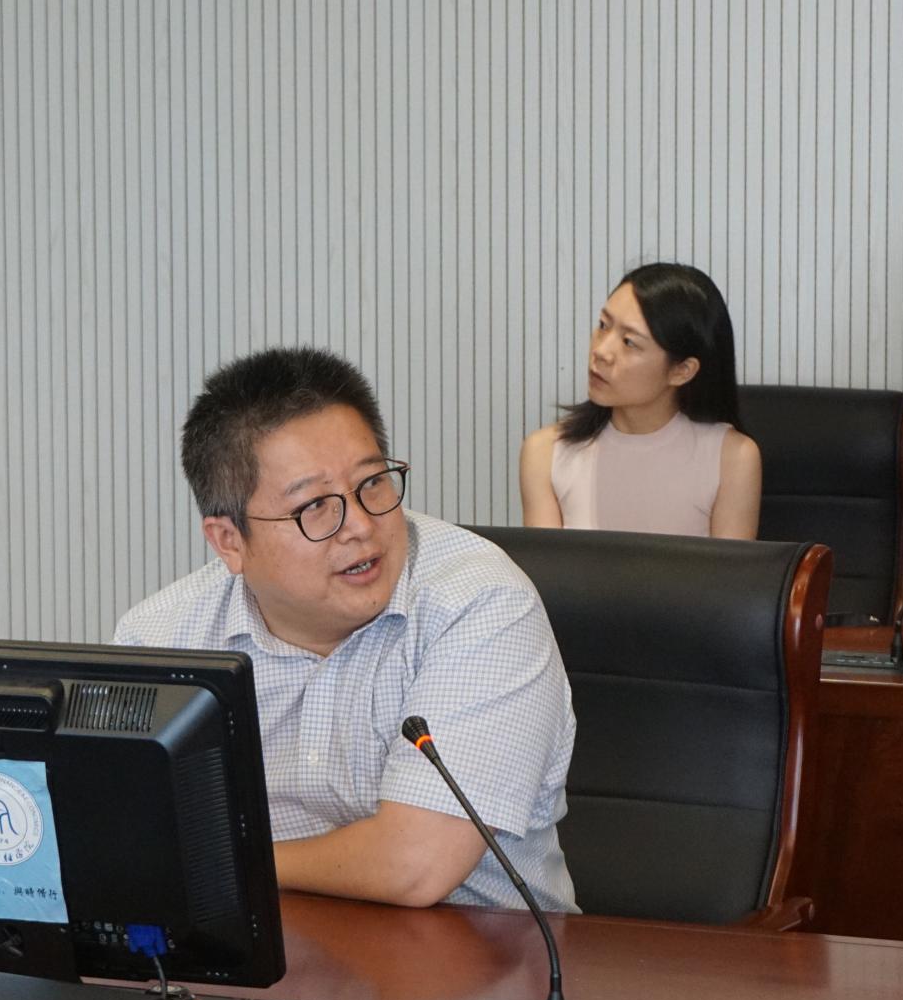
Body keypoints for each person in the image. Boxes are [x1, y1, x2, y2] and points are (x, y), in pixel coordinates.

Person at [113, 347, 578, 912]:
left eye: (373, 482)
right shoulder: (160, 640)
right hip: (261, 944)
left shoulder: (480, 601)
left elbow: (415, 865)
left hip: (485, 950)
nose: (359, 525)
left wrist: (225, 860)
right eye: (314, 506)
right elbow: (125, 831)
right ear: (229, 541)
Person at [519, 262, 761, 538]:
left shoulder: (732, 458)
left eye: (629, 342)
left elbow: (731, 567)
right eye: (603, 326)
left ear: (682, 370)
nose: (601, 351)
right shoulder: (545, 453)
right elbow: (546, 565)